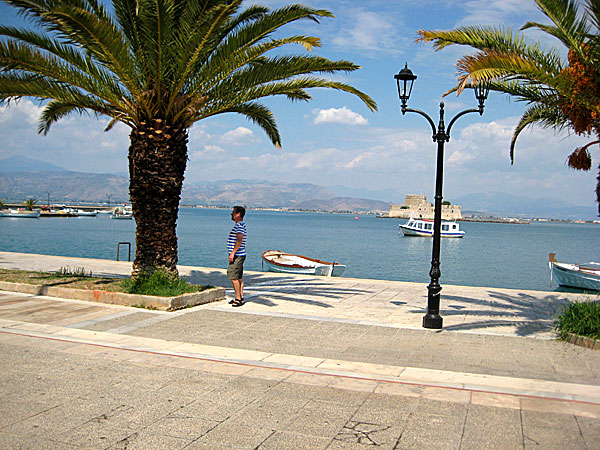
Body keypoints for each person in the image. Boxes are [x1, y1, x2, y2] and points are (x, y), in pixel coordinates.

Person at [227, 206, 246, 307]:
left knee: (233, 276)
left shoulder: (239, 226)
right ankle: (240, 297)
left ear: (238, 214)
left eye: (233, 212)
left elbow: (239, 240)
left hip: (237, 255)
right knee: (238, 277)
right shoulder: (240, 225)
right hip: (240, 254)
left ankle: (238, 298)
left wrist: (232, 253)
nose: (231, 214)